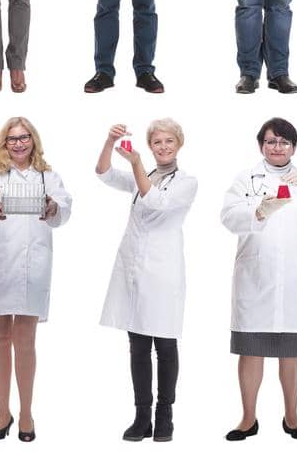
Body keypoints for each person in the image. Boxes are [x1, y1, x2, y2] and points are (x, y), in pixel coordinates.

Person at [219, 117, 297, 441]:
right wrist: (259, 210)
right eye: (271, 141)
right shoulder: (247, 178)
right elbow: (228, 217)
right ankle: (247, 419)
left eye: (284, 142)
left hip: (295, 281)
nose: (277, 147)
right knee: (251, 349)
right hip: (257, 278)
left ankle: (292, 416)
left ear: (294, 147)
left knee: (292, 350)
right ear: (261, 145)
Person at [94, 119, 197, 442]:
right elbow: (104, 173)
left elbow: (156, 201)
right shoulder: (147, 176)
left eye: (169, 141)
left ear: (179, 144)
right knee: (138, 346)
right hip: (133, 270)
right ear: (150, 146)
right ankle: (142, 416)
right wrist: (110, 143)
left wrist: (137, 163)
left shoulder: (187, 182)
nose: (163, 147)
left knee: (165, 344)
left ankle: (165, 415)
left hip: (163, 271)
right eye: (157, 142)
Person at [0, 117, 71, 442]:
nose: (18, 143)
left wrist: (54, 207)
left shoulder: (48, 175)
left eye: (24, 137)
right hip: (0, 262)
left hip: (34, 264)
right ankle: (3, 411)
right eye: (12, 138)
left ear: (33, 140)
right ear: (4, 143)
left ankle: (26, 412)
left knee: (25, 340)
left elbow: (65, 207)